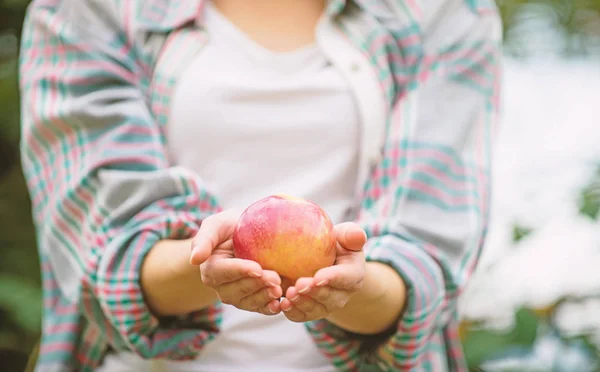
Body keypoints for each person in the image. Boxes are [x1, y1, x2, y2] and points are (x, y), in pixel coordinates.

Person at [19, 0, 501, 370]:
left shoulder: (444, 11)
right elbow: (101, 244)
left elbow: (427, 254)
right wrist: (205, 264)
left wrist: (351, 284)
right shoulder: (88, 9)